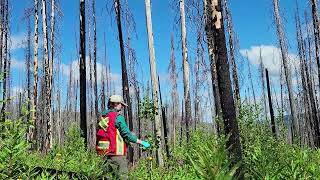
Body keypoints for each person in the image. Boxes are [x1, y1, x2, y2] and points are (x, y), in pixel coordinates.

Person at [96, 95, 150, 180]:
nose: (122, 107)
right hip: (117, 154)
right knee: (122, 177)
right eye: (121, 104)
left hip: (103, 154)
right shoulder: (118, 117)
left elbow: (110, 133)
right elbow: (127, 135)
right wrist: (142, 142)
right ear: (115, 104)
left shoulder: (103, 117)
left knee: (105, 177)